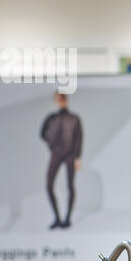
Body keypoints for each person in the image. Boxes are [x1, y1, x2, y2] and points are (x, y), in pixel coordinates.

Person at [40, 92, 82, 229]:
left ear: (66, 100)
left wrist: (77, 157)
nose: (61, 101)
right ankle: (57, 218)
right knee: (49, 184)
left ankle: (67, 218)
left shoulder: (74, 118)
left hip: (70, 154)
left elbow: (78, 138)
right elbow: (42, 133)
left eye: (63, 99)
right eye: (58, 99)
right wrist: (52, 144)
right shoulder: (52, 118)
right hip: (57, 153)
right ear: (56, 101)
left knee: (70, 185)